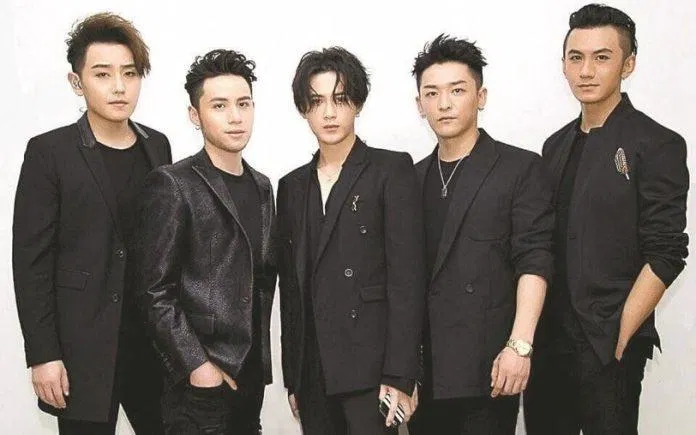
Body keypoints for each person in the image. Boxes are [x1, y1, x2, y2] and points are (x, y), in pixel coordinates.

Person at [524, 4, 689, 434]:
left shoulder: (657, 143)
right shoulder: (553, 146)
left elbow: (667, 251)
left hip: (608, 345)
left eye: (602, 57)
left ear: (627, 64)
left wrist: (621, 334)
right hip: (548, 345)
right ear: (563, 64)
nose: (586, 71)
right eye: (576, 57)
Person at [12, 12, 170, 434]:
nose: (119, 86)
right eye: (103, 74)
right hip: (82, 350)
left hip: (151, 348)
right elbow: (31, 262)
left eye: (129, 73)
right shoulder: (50, 152)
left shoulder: (158, 146)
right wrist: (43, 355)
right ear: (77, 82)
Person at [408, 34, 554, 435]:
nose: (444, 103)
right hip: (425, 373)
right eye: (432, 93)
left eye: (457, 90)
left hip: (490, 367)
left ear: (481, 96)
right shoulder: (410, 179)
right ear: (419, 104)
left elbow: (535, 260)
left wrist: (520, 346)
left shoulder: (519, 169)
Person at [276, 46, 426, 434]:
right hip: (314, 373)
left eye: (340, 99)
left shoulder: (390, 170)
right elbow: (291, 290)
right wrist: (294, 377)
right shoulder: (291, 186)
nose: (329, 112)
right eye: (316, 101)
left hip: (372, 370)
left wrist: (401, 374)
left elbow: (407, 280)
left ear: (357, 103)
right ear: (303, 109)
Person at [133, 48, 276, 434]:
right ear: (195, 115)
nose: (235, 117)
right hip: (197, 387)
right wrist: (197, 365)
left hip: (249, 380)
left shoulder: (263, 187)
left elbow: (260, 282)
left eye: (243, 104)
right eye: (219, 105)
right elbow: (153, 291)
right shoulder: (173, 184)